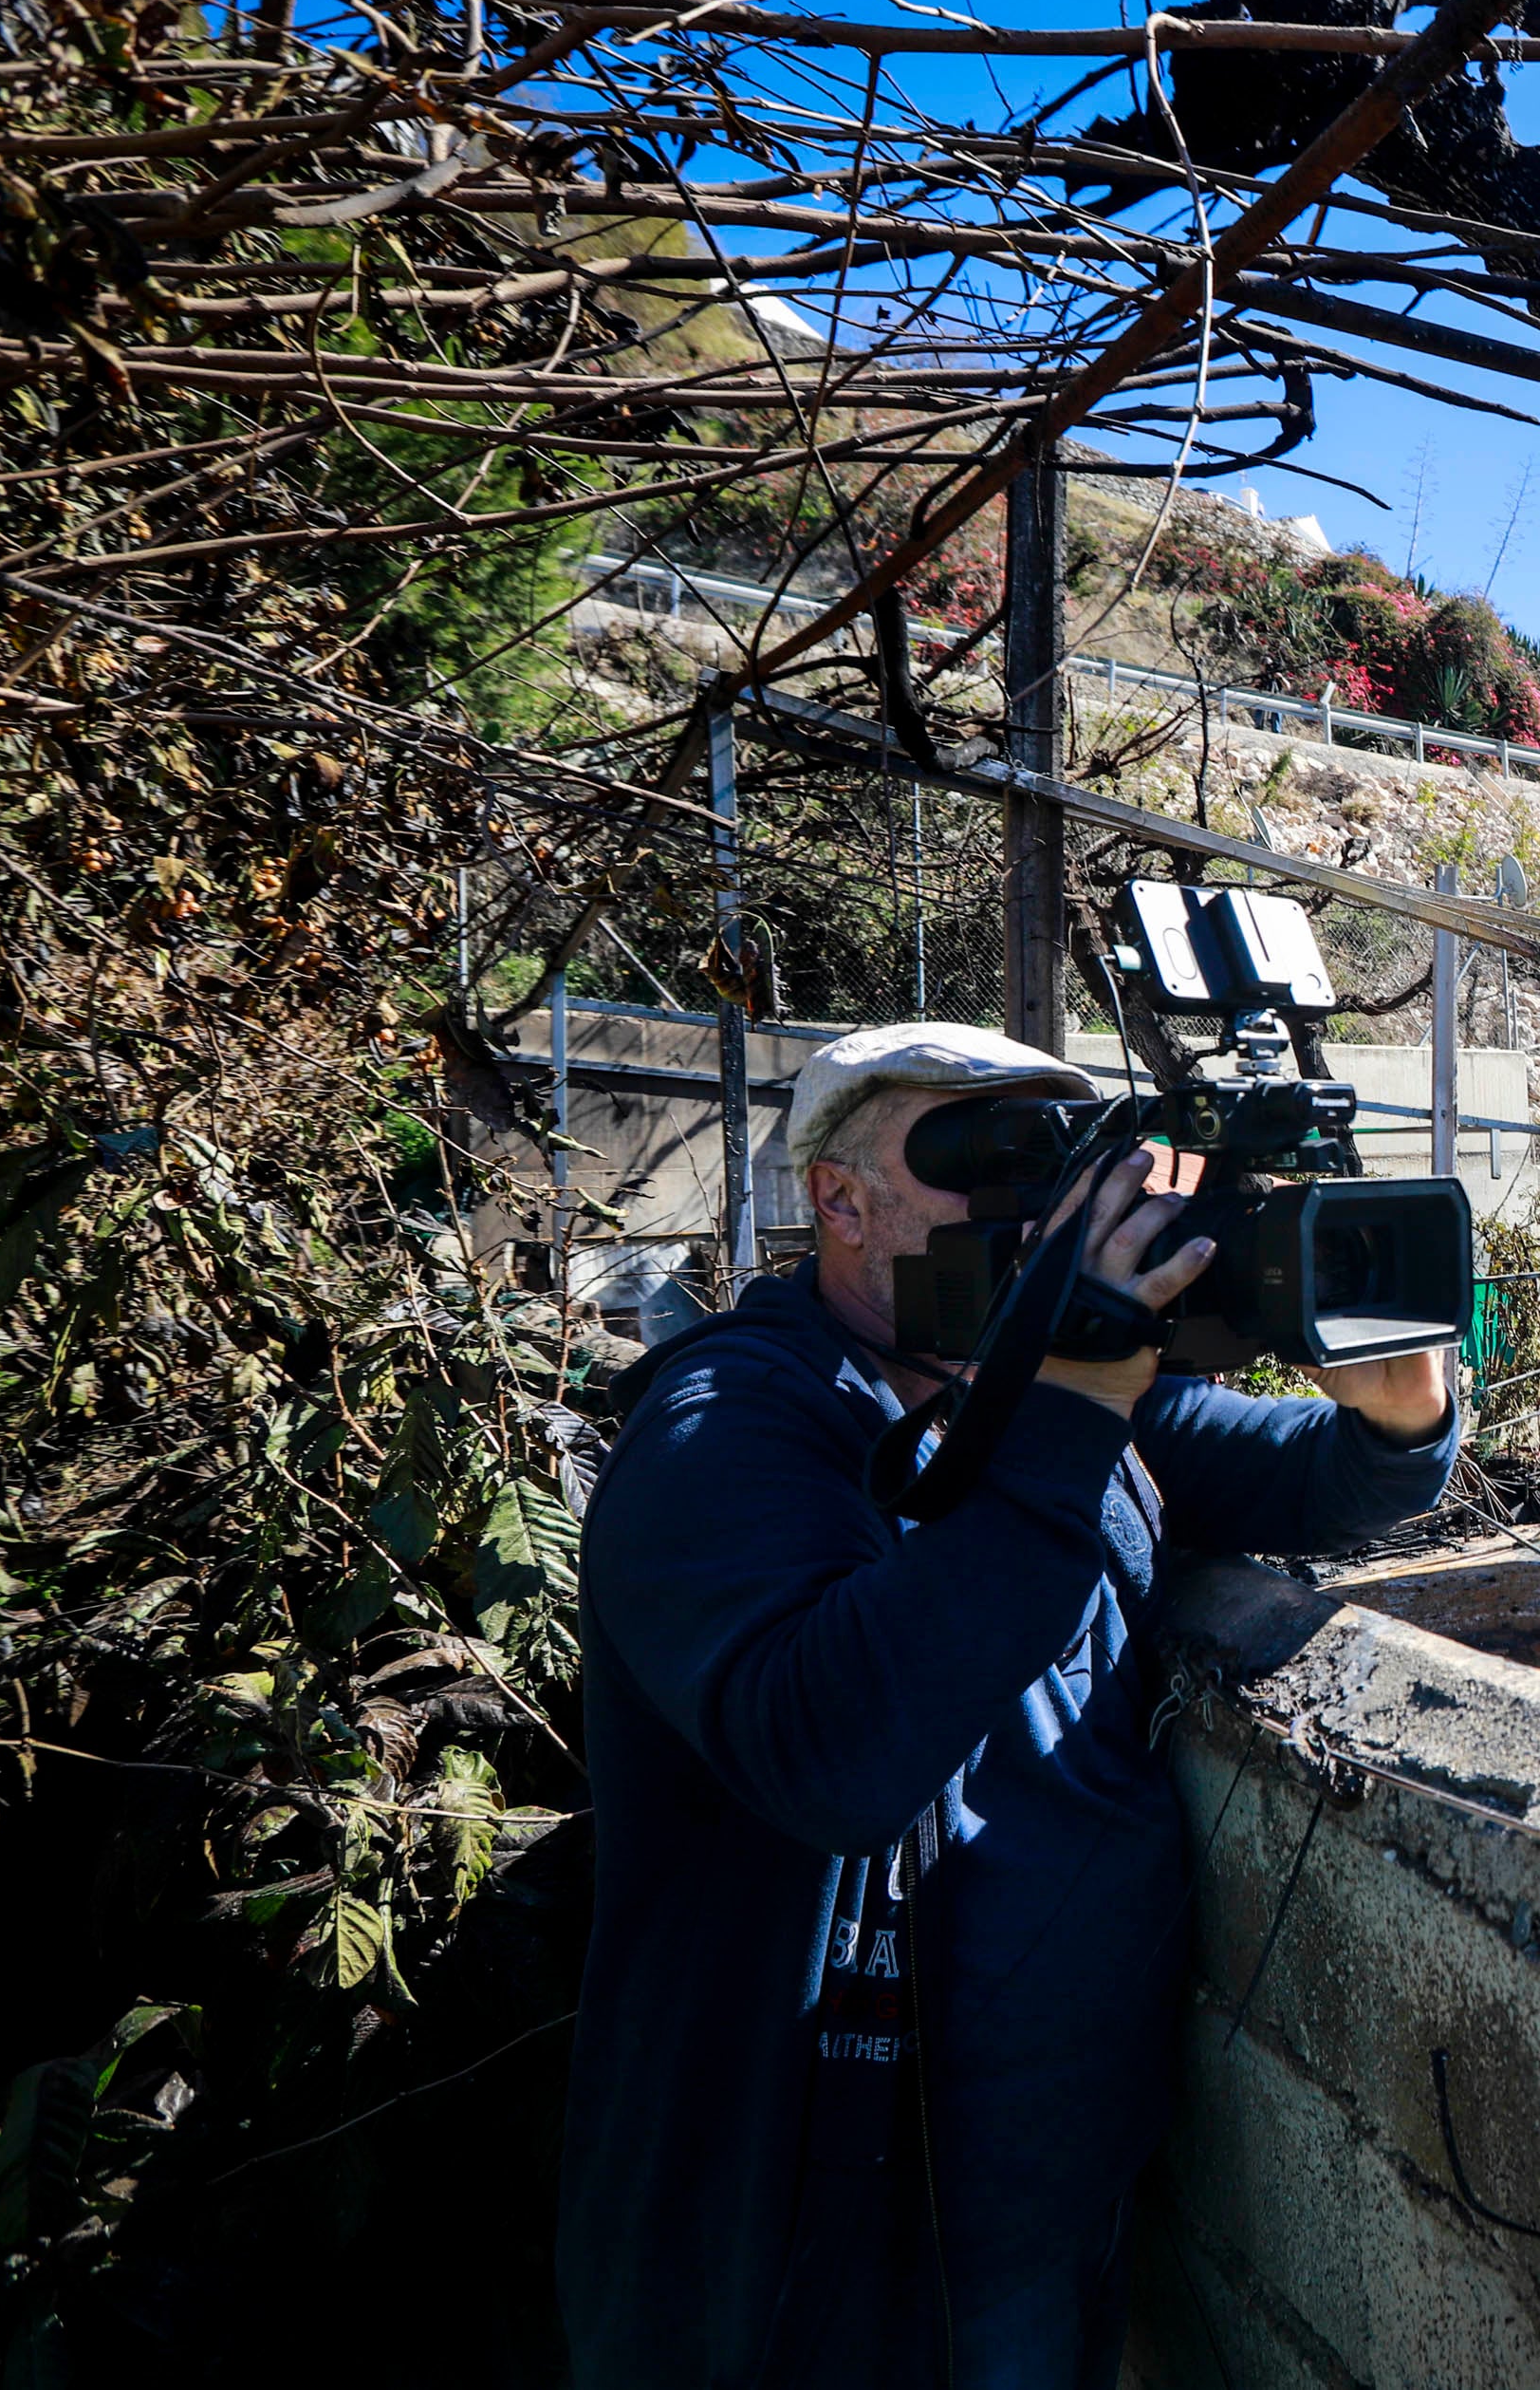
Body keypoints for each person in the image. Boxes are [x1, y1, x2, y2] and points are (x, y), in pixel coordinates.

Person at [558, 1022, 1458, 2389]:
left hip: (1049, 2182)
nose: (1035, 1199)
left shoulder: (1047, 1385)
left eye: (1065, 1156)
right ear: (840, 1201)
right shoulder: (731, 1429)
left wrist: (1399, 1410)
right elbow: (835, 1754)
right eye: (981, 1156)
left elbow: (1320, 1478)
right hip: (824, 2223)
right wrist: (1077, 1396)